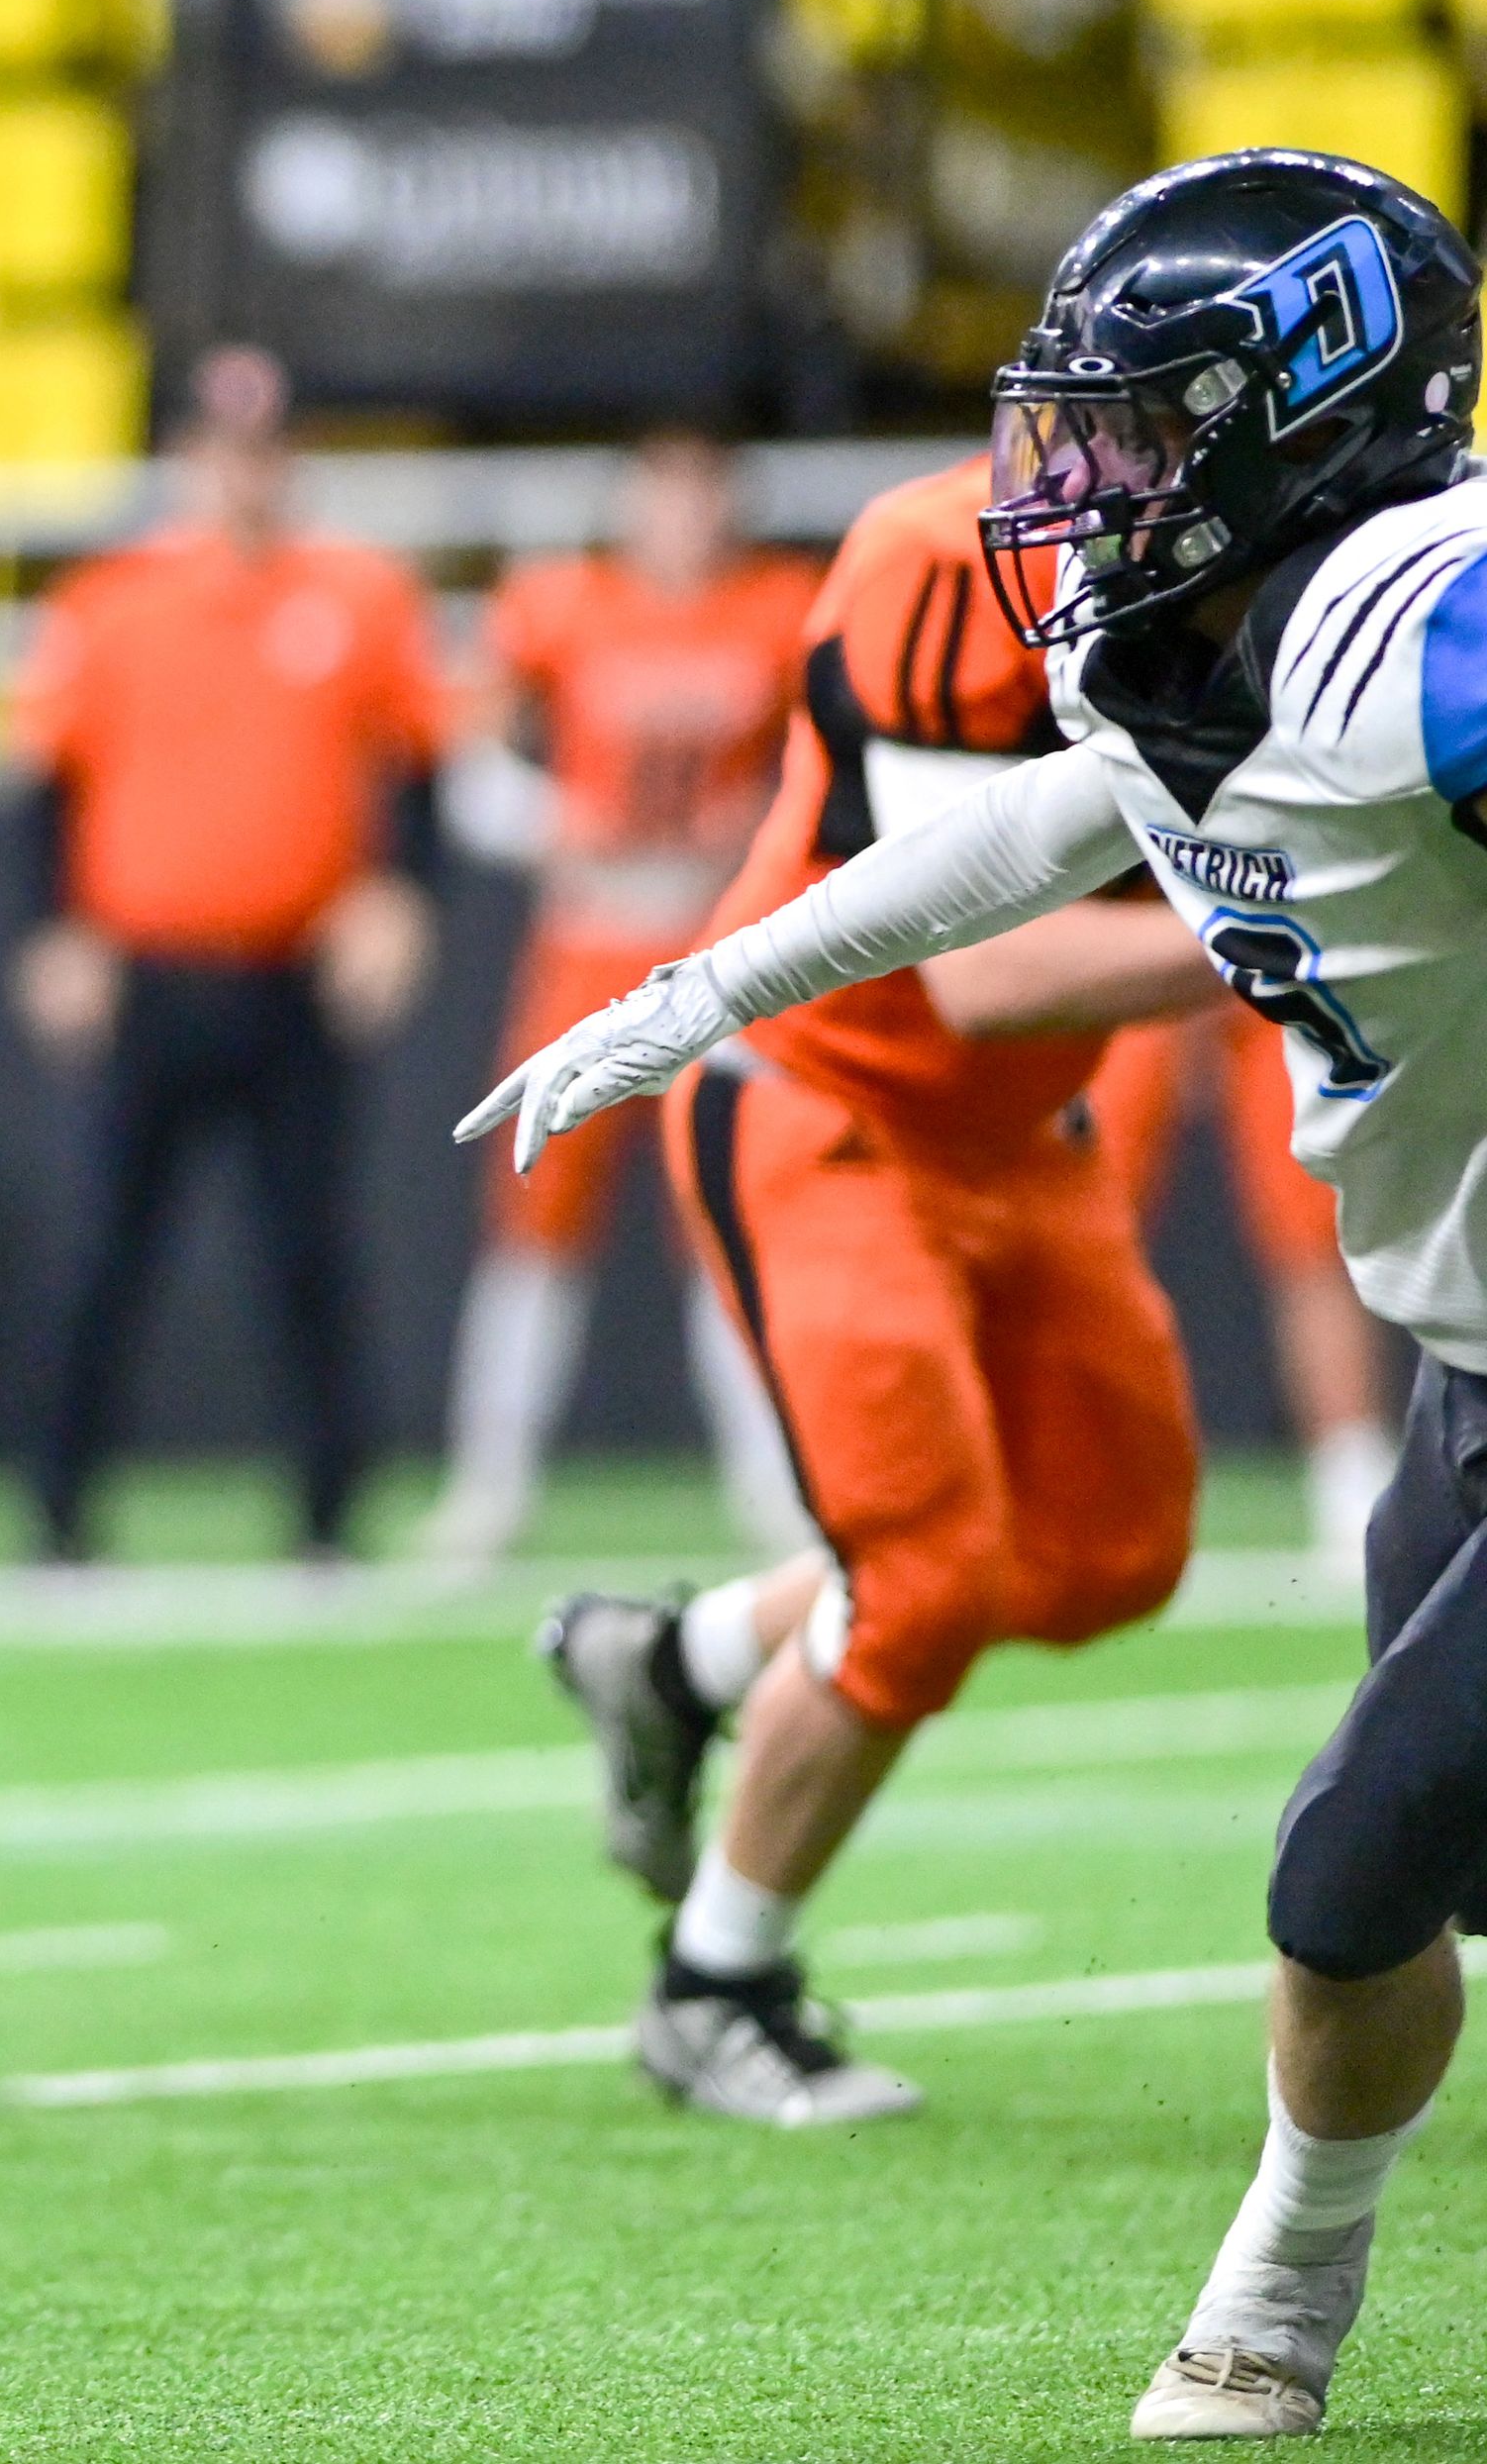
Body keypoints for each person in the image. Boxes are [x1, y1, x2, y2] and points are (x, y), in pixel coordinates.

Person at [466, 148, 1487, 2440]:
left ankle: (1264, 2319)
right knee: (1393, 1866)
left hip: (1167, 1212)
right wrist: (692, 986)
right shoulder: (1173, 634)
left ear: (1298, 411)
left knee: (1336, 1871)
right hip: (1445, 1350)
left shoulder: (1415, 615)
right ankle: (703, 1758)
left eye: (1135, 429)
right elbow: (1002, 850)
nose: (1076, 478)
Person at [525, 454, 1220, 2124]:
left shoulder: (1339, 587)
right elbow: (979, 966)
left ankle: (679, 1659)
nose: (1087, 453)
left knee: (1104, 1552)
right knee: (920, 1571)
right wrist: (1307, 921)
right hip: (821, 1096)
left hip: (1017, 1131)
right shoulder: (939, 558)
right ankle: (717, 1981)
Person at [13, 346, 442, 1565]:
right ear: (186, 458)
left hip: (292, 968)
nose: (244, 474)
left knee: (308, 1247)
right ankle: (56, 1502)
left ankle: (329, 1506)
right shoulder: (107, 602)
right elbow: (50, 780)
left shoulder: (358, 595)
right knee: (104, 1246)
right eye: (221, 448)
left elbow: (415, 761)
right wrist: (55, 929)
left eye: (265, 449)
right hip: (148, 968)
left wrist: (398, 897)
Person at [420, 433, 821, 1568]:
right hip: (590, 934)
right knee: (536, 1217)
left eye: (704, 491)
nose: (685, 515)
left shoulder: (780, 606)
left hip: (725, 946)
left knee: (731, 1219)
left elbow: (836, 757)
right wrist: (557, 821)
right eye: (666, 491)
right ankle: (489, 1483)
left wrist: (765, 821)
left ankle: (772, 1485)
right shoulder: (562, 605)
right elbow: (472, 769)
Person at [1092, 1006, 1397, 1567]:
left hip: (1279, 950)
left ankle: (1350, 1475)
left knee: (1311, 1226)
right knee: (1081, 1222)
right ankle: (1061, 1470)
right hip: (1122, 945)